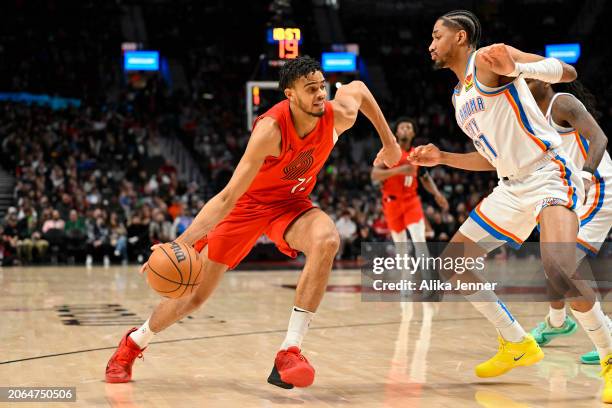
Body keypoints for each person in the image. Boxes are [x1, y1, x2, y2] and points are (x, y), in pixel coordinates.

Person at [105, 56, 401, 388]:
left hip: (291, 205)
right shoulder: (270, 131)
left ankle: (290, 350)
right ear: (290, 94)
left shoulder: (335, 117)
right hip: (247, 207)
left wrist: (390, 144)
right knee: (195, 297)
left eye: (322, 86)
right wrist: (181, 243)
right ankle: (133, 343)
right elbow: (228, 196)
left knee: (328, 240)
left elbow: (359, 90)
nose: (320, 94)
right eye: (311, 89)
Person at [410, 9, 612, 402]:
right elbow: (493, 158)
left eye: (437, 35)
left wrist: (517, 65)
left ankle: (609, 357)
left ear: (461, 36)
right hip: (511, 185)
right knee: (452, 264)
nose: (430, 44)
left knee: (559, 265)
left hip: (549, 173)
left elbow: (567, 72)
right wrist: (444, 158)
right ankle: (516, 342)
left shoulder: (490, 58)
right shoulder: (458, 97)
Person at [525, 79, 612, 365]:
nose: (523, 82)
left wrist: (586, 176)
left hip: (598, 188)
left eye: (529, 77)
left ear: (546, 79)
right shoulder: (531, 116)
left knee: (563, 265)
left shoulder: (560, 103)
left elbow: (599, 138)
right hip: (571, 193)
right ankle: (557, 321)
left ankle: (588, 330)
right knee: (558, 265)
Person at [371, 117, 449, 246]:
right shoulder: (389, 152)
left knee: (419, 239)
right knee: (400, 245)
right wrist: (400, 170)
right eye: (402, 127)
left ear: (413, 133)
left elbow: (425, 177)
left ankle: (424, 266)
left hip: (411, 200)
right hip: (391, 202)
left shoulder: (417, 153)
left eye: (408, 127)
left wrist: (437, 194)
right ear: (396, 132)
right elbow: (374, 175)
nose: (405, 130)